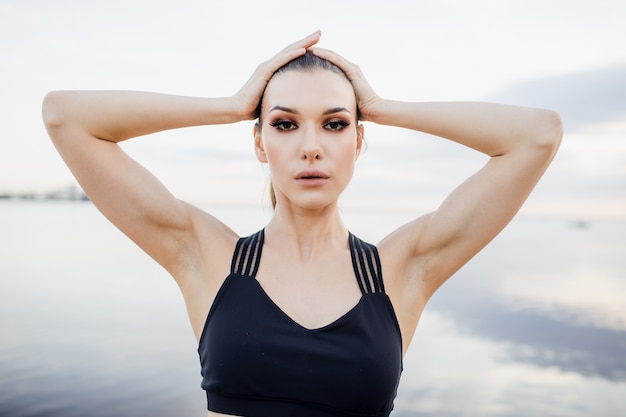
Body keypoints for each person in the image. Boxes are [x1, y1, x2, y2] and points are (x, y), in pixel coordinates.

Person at [42, 31, 562, 417]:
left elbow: (537, 135)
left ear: (358, 141)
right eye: (285, 124)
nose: (311, 145)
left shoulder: (402, 269)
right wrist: (230, 106)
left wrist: (381, 107)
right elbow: (66, 116)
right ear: (259, 142)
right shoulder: (208, 256)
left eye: (335, 124)